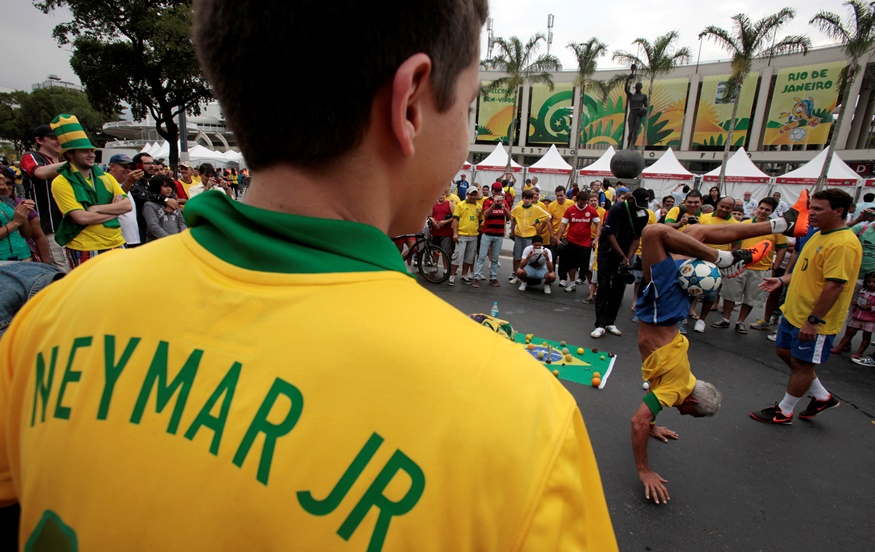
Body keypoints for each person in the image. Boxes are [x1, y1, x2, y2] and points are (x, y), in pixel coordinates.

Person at [0, 2, 618, 550]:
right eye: (470, 103)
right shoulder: (521, 427)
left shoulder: (51, 317)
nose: (466, 137)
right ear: (409, 103)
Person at [752, 189, 860, 425]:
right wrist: (781, 280)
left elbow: (834, 286)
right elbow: (807, 270)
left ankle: (784, 411)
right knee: (784, 352)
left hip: (814, 320)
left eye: (818, 209)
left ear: (839, 212)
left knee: (802, 365)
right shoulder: (819, 235)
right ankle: (822, 397)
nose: (810, 214)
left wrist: (813, 322)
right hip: (794, 312)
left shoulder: (843, 244)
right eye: (811, 208)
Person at [48, 114, 132, 269]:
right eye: (84, 151)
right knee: (92, 293)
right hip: (85, 247)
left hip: (117, 243)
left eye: (92, 151)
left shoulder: (106, 177)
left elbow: (127, 206)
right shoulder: (61, 182)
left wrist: (97, 208)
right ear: (69, 154)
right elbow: (81, 218)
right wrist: (115, 211)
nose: (91, 155)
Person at [711, 198, 787, 334]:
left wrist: (776, 267)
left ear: (772, 212)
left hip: (761, 269)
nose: (763, 211)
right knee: (730, 294)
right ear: (757, 207)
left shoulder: (776, 229)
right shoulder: (745, 224)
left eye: (767, 210)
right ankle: (726, 319)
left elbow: (782, 249)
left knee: (751, 298)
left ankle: (740, 322)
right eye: (761, 208)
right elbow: (735, 242)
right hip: (740, 265)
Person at [591, 188, 651, 339]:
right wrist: (622, 255)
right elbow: (610, 234)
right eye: (638, 204)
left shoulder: (643, 213)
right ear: (631, 200)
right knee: (604, 286)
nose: (640, 207)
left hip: (625, 254)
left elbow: (637, 238)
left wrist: (628, 258)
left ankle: (611, 322)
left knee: (619, 288)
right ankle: (600, 324)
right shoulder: (617, 209)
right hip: (608, 252)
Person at [19, 124, 69, 271]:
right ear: (39, 140)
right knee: (61, 273)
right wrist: (74, 161)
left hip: (68, 228)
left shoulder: (61, 162)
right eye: (54, 138)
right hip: (48, 229)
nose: (59, 141)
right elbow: (40, 173)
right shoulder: (31, 157)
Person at [0, 167, 50, 263]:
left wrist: (23, 215)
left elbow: (28, 235)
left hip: (24, 257)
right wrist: (15, 222)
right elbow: (17, 222)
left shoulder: (9, 201)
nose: (2, 177)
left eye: (9, 183)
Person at [556, 191, 600, 293]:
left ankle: (591, 287)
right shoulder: (570, 210)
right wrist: (558, 238)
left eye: (585, 203)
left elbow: (599, 225)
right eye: (580, 203)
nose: (582, 205)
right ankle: (572, 284)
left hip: (586, 244)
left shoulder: (591, 210)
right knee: (571, 265)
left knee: (587, 267)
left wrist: (596, 239)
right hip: (571, 242)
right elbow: (563, 225)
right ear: (577, 200)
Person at [509, 189, 552, 284]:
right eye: (525, 198)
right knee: (517, 257)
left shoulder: (536, 209)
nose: (527, 200)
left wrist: (537, 221)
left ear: (531, 199)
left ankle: (527, 277)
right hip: (519, 236)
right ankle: (517, 275)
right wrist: (512, 230)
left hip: (530, 237)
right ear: (522, 198)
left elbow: (548, 216)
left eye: (529, 199)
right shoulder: (517, 208)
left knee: (529, 257)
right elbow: (511, 216)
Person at [472, 183, 510, 287]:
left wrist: (504, 207)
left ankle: (493, 277)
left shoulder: (504, 202)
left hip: (499, 234)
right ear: (492, 191)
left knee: (495, 258)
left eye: (499, 191)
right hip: (487, 233)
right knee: (482, 256)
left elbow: (510, 217)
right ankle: (476, 277)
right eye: (495, 190)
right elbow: (485, 214)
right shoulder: (487, 201)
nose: (497, 193)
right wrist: (494, 204)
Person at [831, 272, 875, 359]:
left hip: (870, 319)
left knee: (866, 336)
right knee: (849, 333)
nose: (871, 284)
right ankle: (839, 347)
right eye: (869, 282)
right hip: (857, 316)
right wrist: (855, 303)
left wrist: (871, 308)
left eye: (874, 282)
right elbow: (858, 299)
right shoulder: (862, 291)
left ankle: (859, 352)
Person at [106, 154, 146, 249]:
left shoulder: (128, 184)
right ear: (112, 166)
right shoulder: (107, 183)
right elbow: (118, 202)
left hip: (134, 238)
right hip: (119, 240)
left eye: (130, 167)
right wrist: (129, 182)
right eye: (124, 166)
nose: (128, 170)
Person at [449, 186, 482, 285]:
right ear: (467, 194)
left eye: (474, 194)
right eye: (471, 194)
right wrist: (455, 233)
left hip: (473, 236)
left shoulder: (478, 207)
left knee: (469, 257)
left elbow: (480, 220)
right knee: (457, 256)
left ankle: (464, 275)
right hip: (462, 235)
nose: (473, 196)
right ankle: (452, 275)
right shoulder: (460, 205)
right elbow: (455, 219)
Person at [142, 175, 187, 242]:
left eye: (170, 186)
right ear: (157, 187)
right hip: (158, 243)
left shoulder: (173, 202)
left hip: (177, 241)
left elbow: (182, 222)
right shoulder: (149, 205)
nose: (169, 189)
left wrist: (182, 236)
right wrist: (169, 239)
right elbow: (153, 226)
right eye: (165, 186)